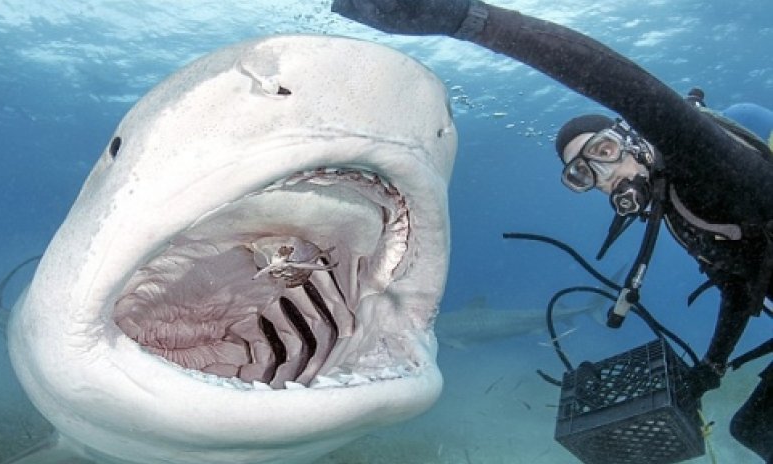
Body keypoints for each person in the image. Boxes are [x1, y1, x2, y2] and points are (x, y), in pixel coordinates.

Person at [331, 0, 773, 461]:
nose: (603, 174)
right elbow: (741, 289)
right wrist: (713, 365)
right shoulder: (681, 208)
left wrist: (466, 20)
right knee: (752, 428)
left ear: (635, 138)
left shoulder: (710, 164)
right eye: (582, 174)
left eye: (603, 150)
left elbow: (621, 84)